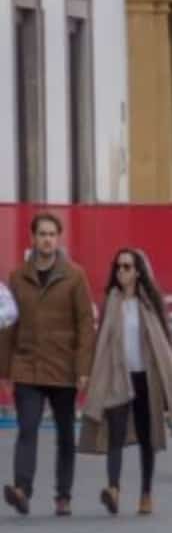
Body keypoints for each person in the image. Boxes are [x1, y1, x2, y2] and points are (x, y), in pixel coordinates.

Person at [79, 248, 172, 517]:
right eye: (118, 267)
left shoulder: (148, 304)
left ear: (139, 271)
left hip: (145, 378)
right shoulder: (112, 302)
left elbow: (162, 344)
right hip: (119, 376)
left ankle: (146, 493)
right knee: (115, 435)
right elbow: (103, 344)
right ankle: (114, 489)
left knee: (146, 436)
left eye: (127, 267)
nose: (121, 272)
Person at [0, 214, 96, 517]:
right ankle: (22, 490)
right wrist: (5, 370)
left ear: (59, 238)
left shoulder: (75, 276)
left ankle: (63, 495)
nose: (47, 239)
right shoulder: (17, 277)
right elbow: (8, 325)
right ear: (32, 238)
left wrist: (83, 369)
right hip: (27, 365)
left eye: (52, 234)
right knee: (26, 428)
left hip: (64, 367)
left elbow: (85, 324)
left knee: (65, 433)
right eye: (42, 234)